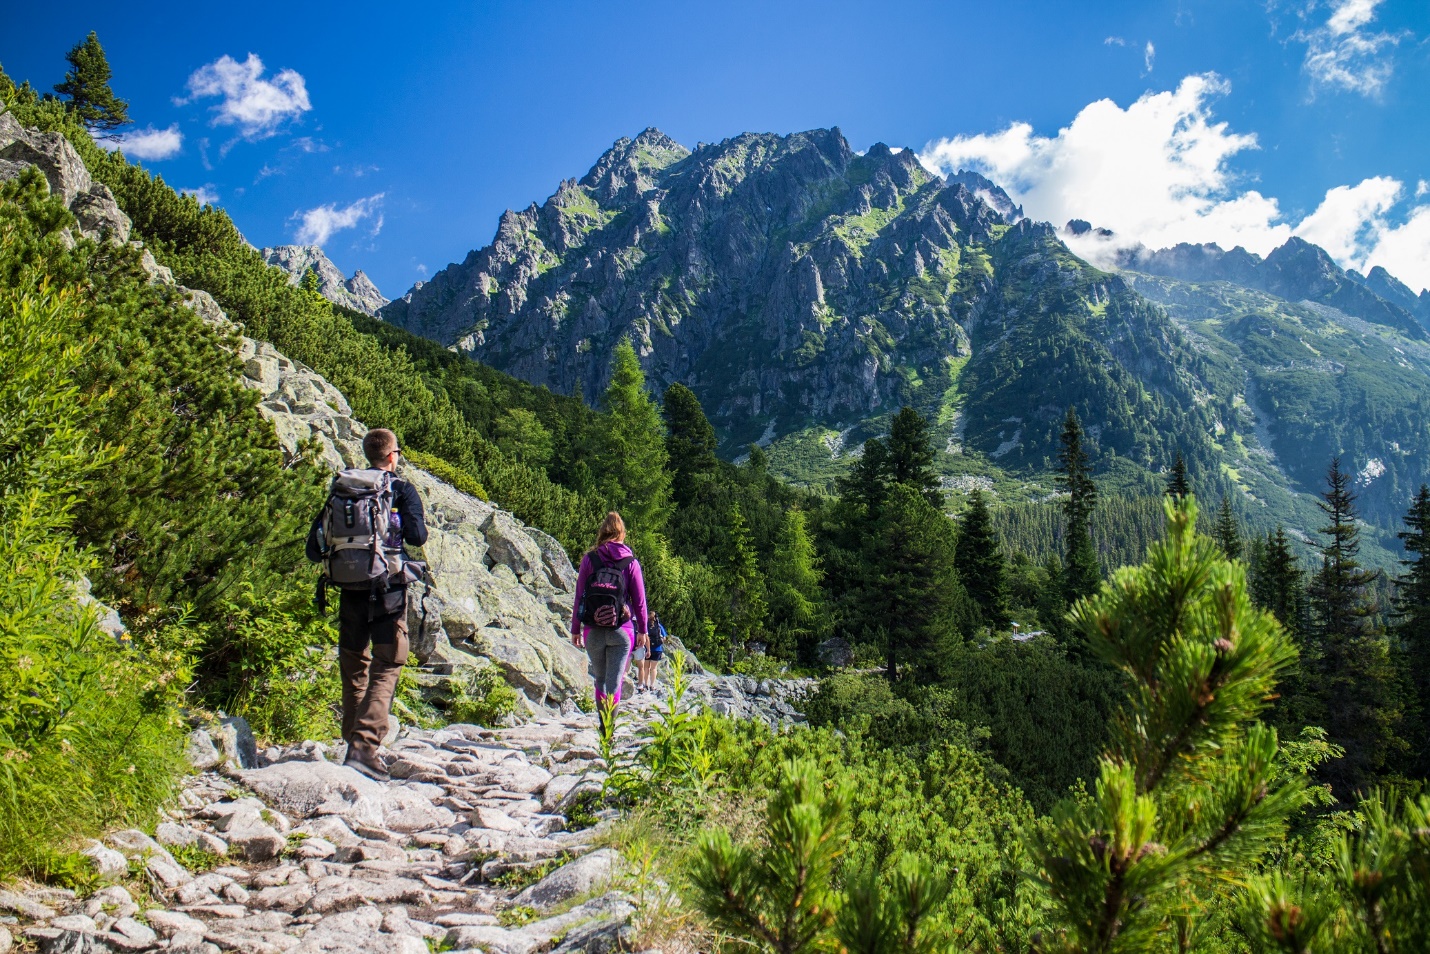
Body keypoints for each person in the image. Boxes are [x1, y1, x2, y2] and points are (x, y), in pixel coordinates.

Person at [305, 428, 427, 781]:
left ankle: (352, 743)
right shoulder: (400, 488)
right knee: (388, 661)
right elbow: (419, 537)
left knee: (354, 663)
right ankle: (365, 745)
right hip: (388, 590)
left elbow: (314, 549)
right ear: (392, 456)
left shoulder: (342, 489)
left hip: (347, 588)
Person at [571, 512, 648, 724]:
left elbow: (580, 596)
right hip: (622, 630)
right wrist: (643, 630)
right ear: (622, 534)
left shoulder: (590, 559)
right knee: (615, 682)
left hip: (592, 629)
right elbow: (640, 601)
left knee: (600, 680)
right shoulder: (631, 563)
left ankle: (601, 723)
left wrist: (575, 629)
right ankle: (609, 730)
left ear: (602, 533)